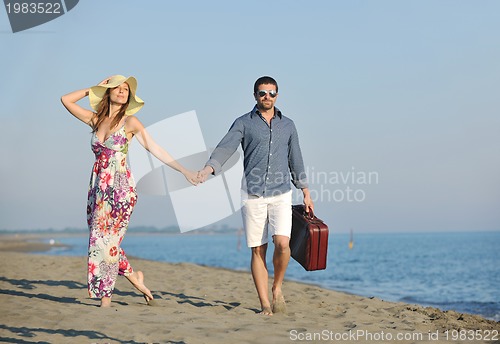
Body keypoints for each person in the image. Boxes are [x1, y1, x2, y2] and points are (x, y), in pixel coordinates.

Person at [61, 75, 198, 307]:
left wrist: (183, 170)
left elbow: (154, 147)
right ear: (108, 91)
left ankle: (106, 300)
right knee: (101, 239)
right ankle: (136, 278)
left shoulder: (131, 122)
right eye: (118, 88)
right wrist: (93, 89)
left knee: (106, 241)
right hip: (97, 188)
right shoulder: (96, 120)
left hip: (120, 190)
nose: (123, 91)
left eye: (127, 89)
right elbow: (66, 100)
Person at [197, 76, 313, 315]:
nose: (267, 97)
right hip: (252, 194)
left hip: (281, 193)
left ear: (277, 96)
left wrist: (306, 192)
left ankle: (277, 287)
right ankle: (264, 304)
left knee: (282, 244)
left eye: (271, 93)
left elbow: (296, 159)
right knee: (258, 250)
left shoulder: (288, 125)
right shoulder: (243, 123)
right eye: (262, 93)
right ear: (255, 96)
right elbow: (225, 147)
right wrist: (209, 169)